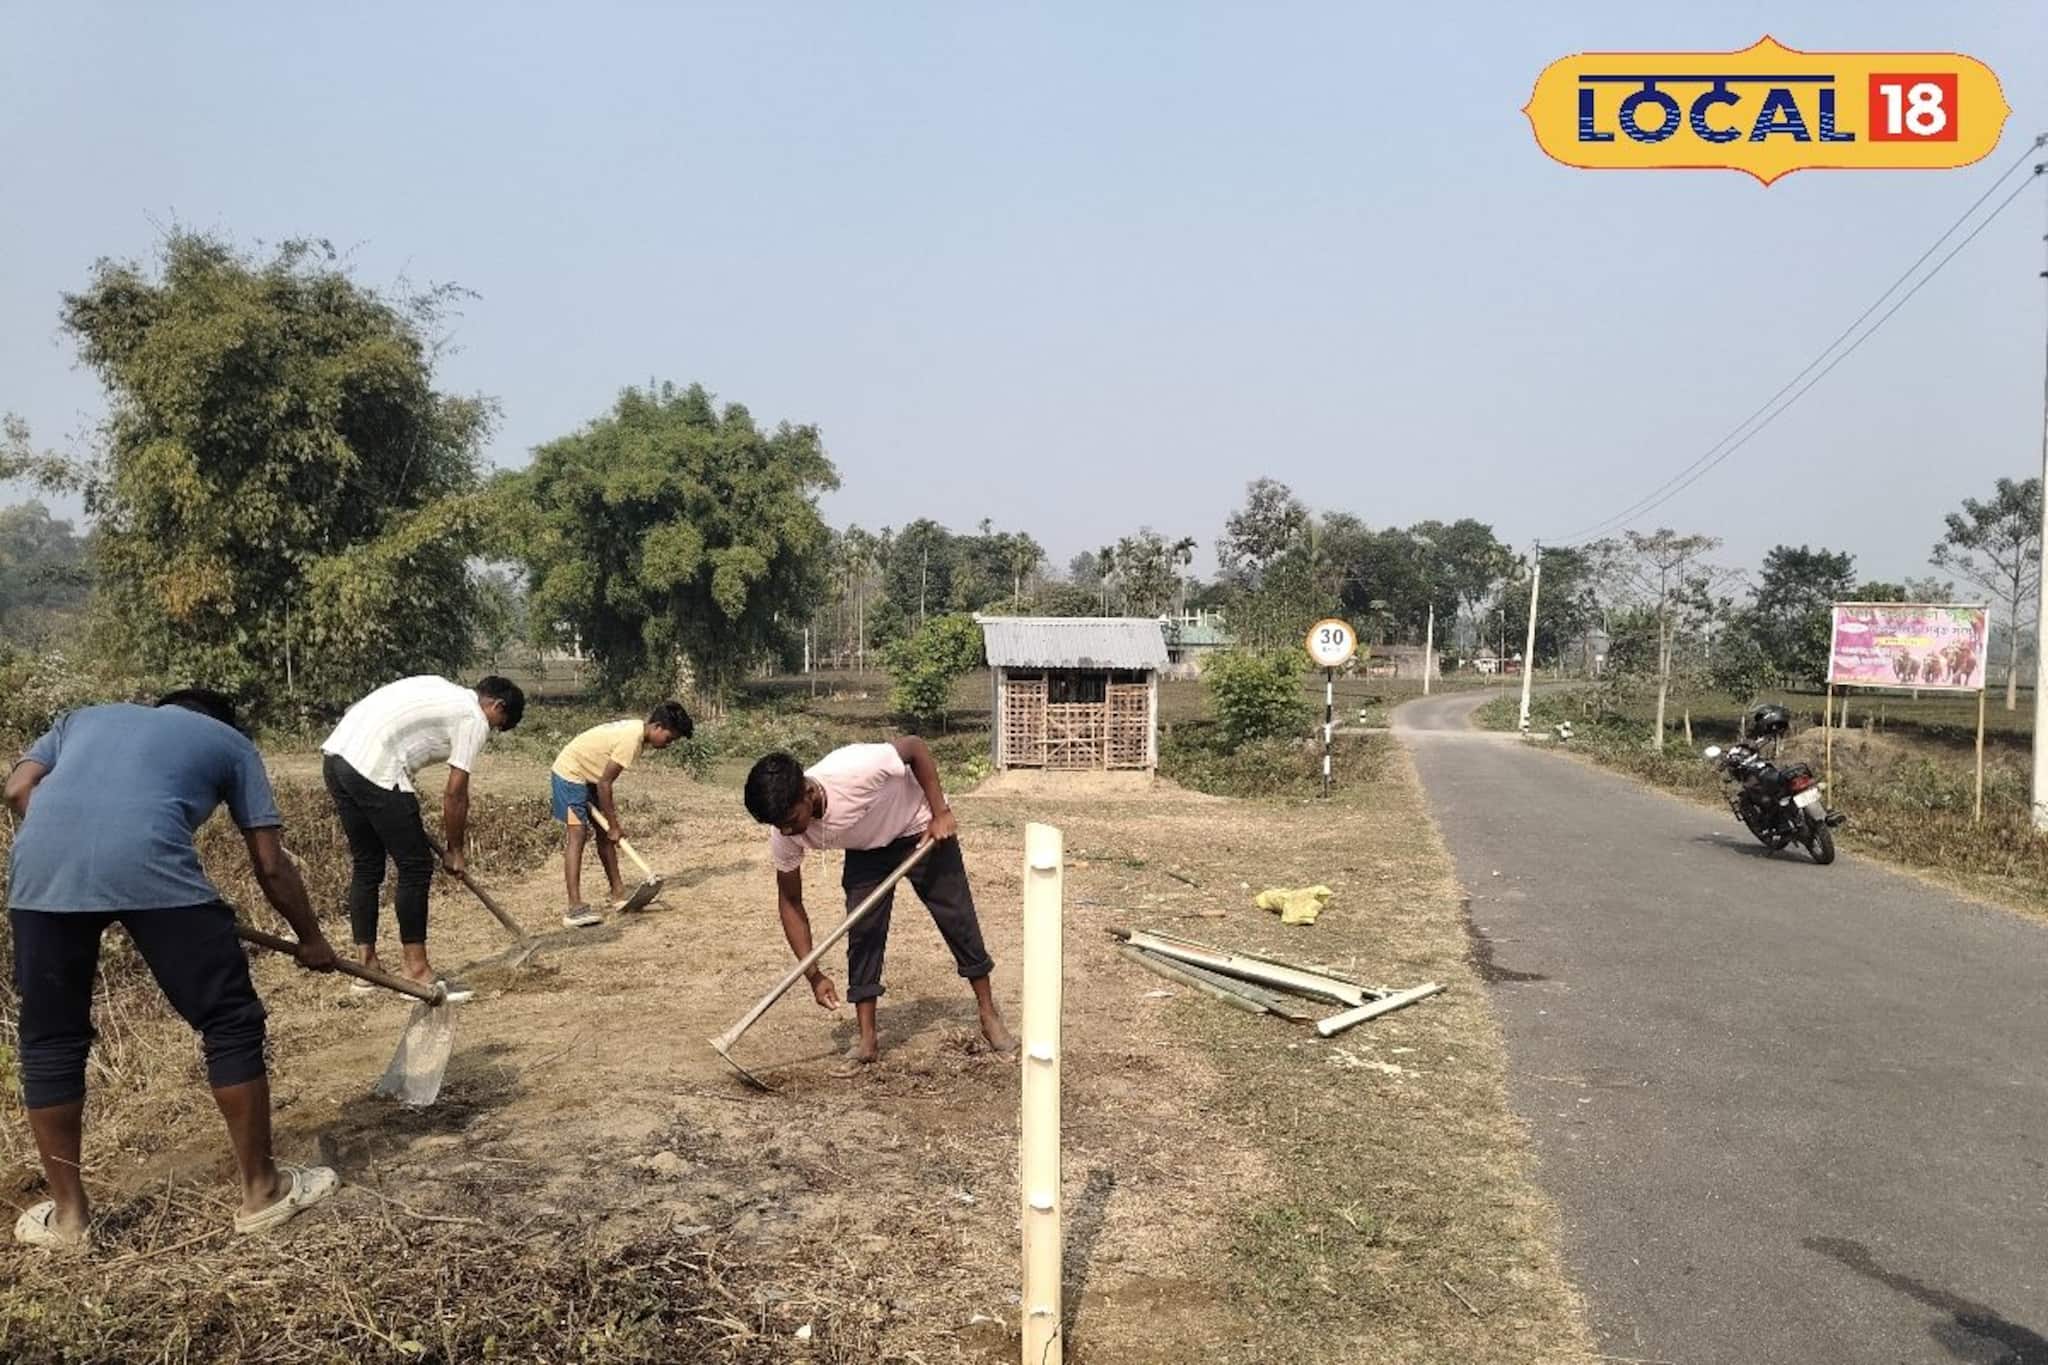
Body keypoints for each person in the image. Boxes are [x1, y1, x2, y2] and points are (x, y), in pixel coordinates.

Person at [4, 689, 343, 1248]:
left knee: (50, 1042)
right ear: (220, 721)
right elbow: (270, 863)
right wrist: (311, 939)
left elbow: (18, 789)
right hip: (153, 867)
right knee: (229, 1021)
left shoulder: (81, 719)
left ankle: (69, 1219)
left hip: (41, 875)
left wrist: (80, 837)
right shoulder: (231, 744)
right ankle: (262, 1193)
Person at [742, 738, 1016, 1067]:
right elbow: (790, 901)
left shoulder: (856, 769)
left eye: (790, 819)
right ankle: (867, 1040)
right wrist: (813, 975)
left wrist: (940, 812)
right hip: (866, 848)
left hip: (918, 826)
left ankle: (988, 1014)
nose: (786, 831)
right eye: (778, 825)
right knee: (863, 931)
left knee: (957, 918)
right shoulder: (784, 832)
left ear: (808, 793)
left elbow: (915, 748)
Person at [319, 675, 524, 997]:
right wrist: (455, 849)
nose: (492, 730)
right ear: (497, 706)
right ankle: (416, 972)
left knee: (367, 864)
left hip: (338, 758)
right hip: (376, 765)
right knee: (415, 866)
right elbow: (455, 794)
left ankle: (366, 969)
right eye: (499, 724)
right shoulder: (473, 716)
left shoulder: (443, 688)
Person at [550, 701, 693, 926]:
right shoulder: (631, 740)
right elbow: (605, 784)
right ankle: (574, 907)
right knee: (578, 834)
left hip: (588, 775)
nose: (668, 744)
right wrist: (614, 825)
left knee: (605, 834)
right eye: (668, 738)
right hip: (569, 775)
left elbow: (602, 781)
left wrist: (611, 826)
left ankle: (618, 893)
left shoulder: (637, 732)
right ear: (657, 726)